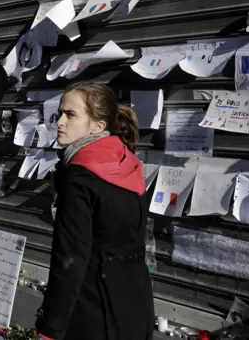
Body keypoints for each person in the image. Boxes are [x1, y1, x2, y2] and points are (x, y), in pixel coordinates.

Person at [35, 82, 154, 340]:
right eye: (59, 113)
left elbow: (70, 259)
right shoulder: (129, 163)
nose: (59, 122)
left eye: (71, 115)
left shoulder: (80, 175)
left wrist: (50, 328)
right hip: (135, 306)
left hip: (94, 312)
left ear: (98, 127)